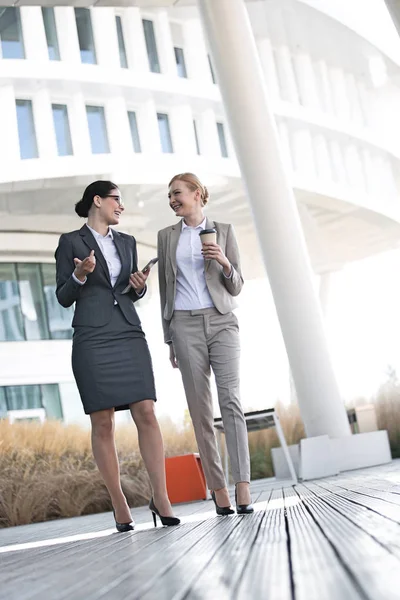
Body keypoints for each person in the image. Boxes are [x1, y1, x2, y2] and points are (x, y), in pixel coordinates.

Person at [55, 180, 179, 531]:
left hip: (127, 332)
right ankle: (119, 501)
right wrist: (79, 274)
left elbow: (122, 290)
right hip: (93, 337)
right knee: (103, 421)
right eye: (116, 200)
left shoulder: (125, 242)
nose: (121, 207)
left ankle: (161, 496)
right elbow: (63, 296)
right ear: (98, 200)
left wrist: (137, 287)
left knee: (147, 412)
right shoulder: (69, 242)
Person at [157, 173, 253, 515]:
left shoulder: (224, 231)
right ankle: (218, 489)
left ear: (197, 194)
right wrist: (169, 338)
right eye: (169, 195)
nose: (172, 200)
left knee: (231, 402)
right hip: (184, 325)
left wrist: (224, 262)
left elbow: (237, 284)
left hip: (222, 320)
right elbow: (166, 290)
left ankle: (242, 484)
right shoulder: (166, 237)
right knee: (200, 411)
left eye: (177, 193)